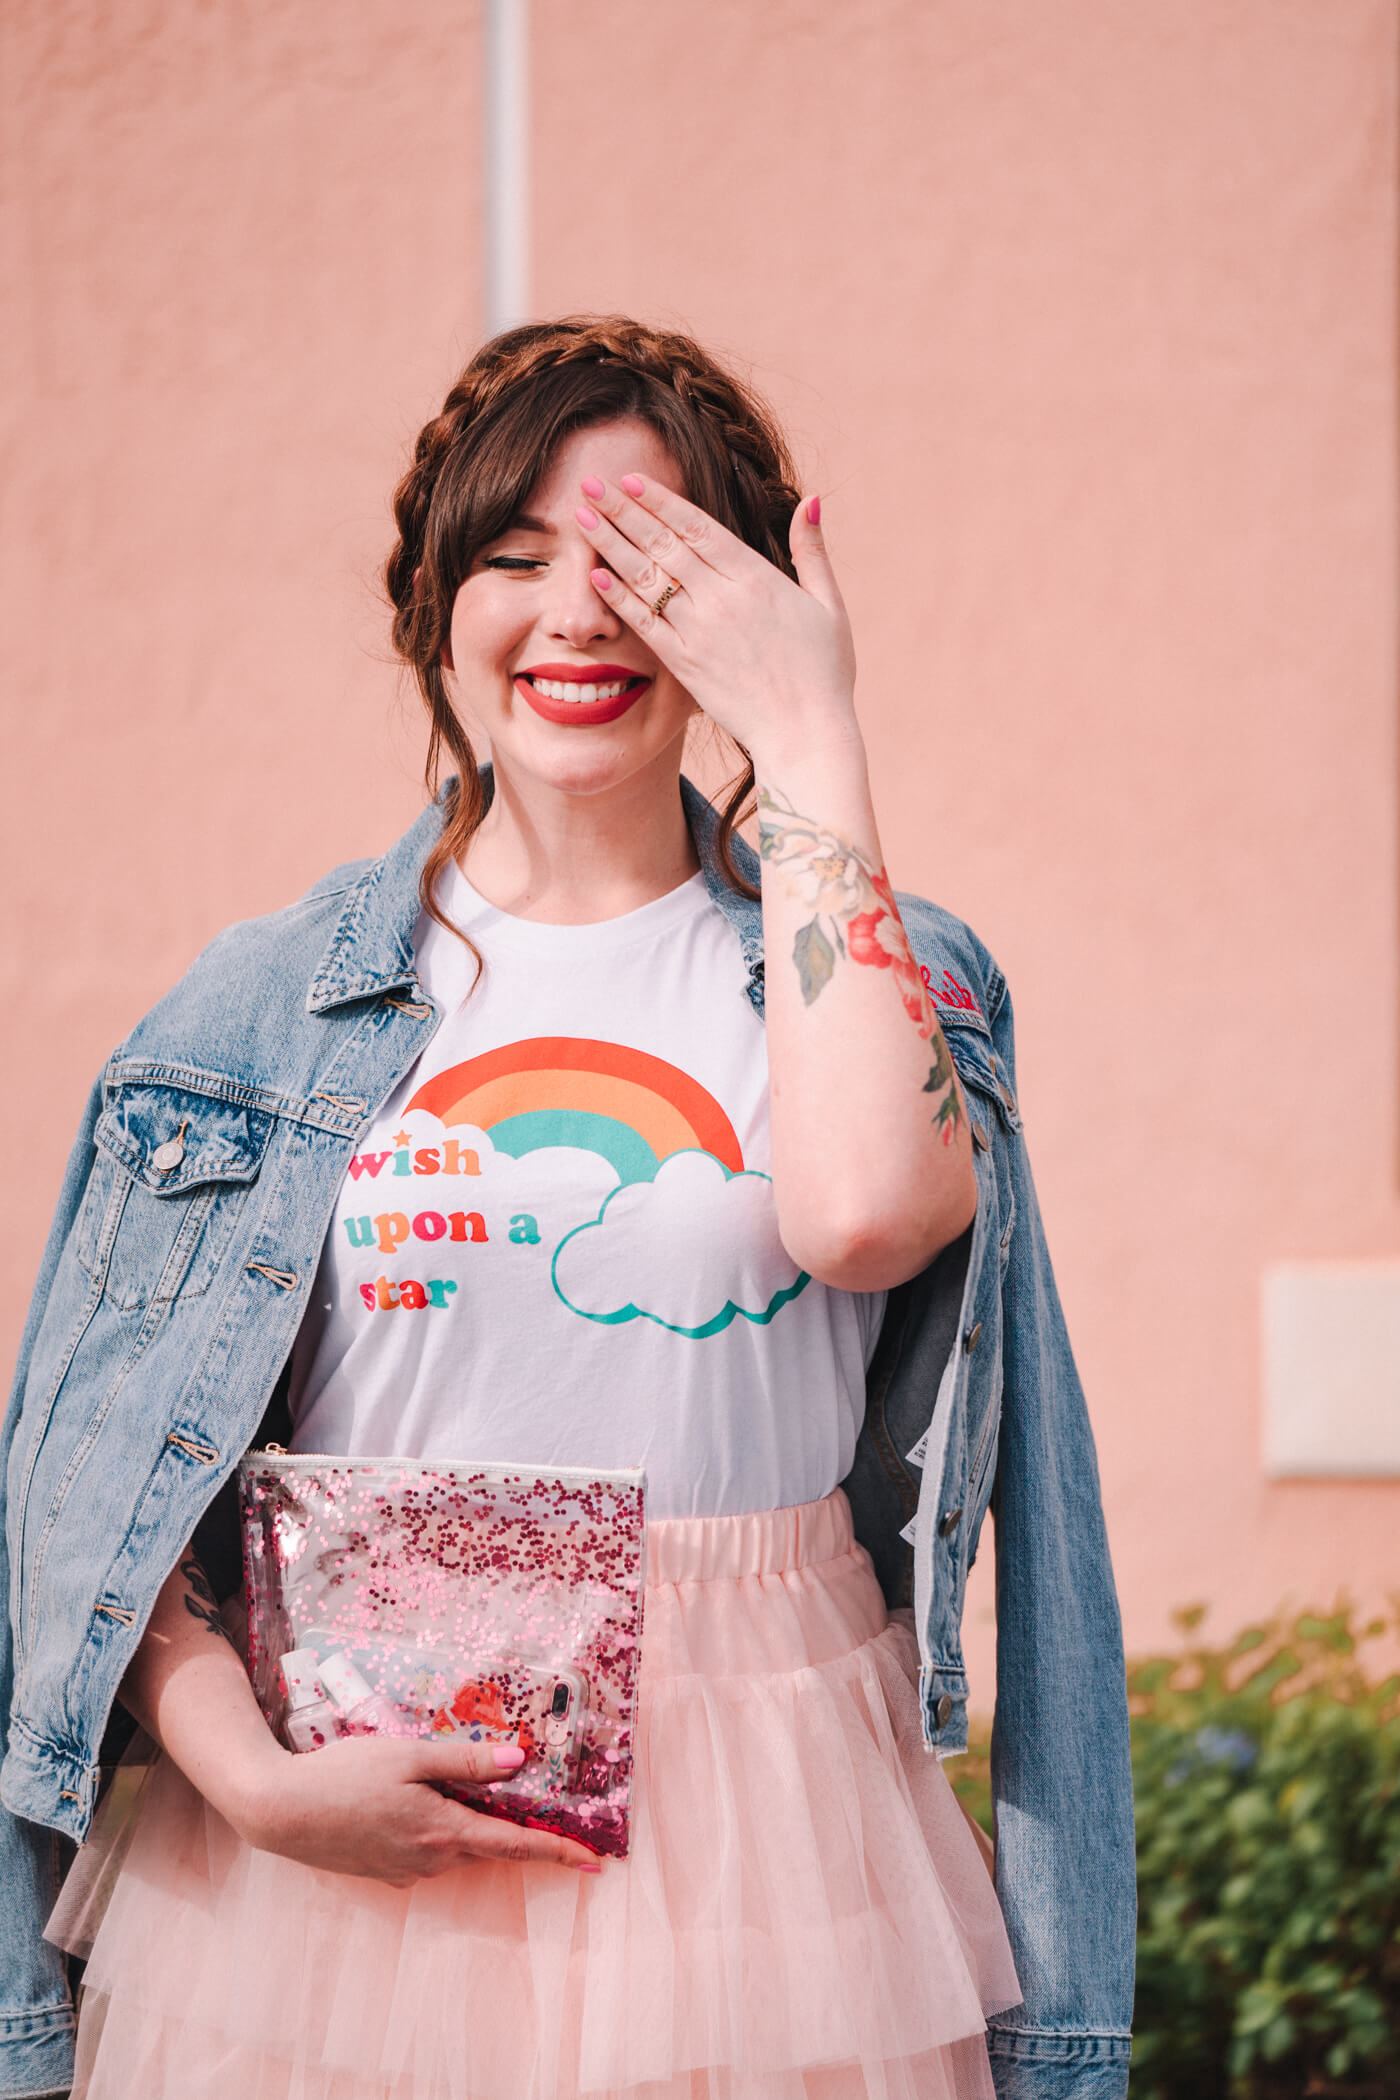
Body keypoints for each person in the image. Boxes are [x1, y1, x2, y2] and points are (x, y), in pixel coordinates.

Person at [0, 316, 1136, 2100]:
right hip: (329, 1850)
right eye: (516, 560)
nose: (578, 615)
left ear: (743, 605)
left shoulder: (876, 976)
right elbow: (87, 1507)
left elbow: (861, 1221)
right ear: (431, 602)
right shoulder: (250, 1012)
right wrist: (246, 1775)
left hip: (771, 1828)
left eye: (643, 563)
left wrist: (816, 734)